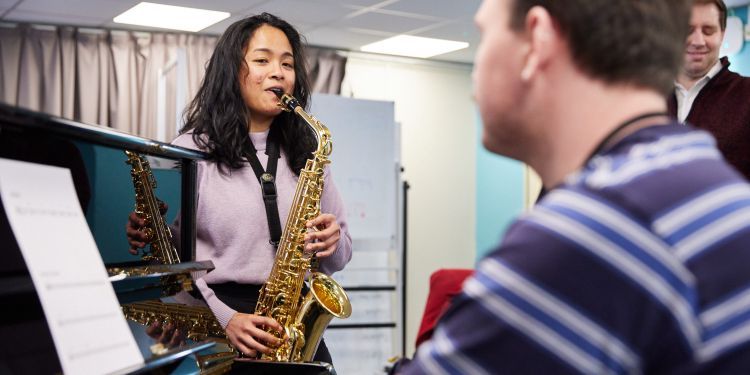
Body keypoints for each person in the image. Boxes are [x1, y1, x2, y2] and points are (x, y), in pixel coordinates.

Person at [402, 0, 750, 373]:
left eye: (484, 35)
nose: (475, 75)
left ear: (538, 39)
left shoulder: (587, 234)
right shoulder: (716, 191)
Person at [126, 13, 352, 363]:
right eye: (262, 60)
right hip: (219, 326)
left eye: (287, 64)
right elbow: (168, 262)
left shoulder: (307, 150)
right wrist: (224, 318)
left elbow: (340, 257)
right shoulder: (190, 149)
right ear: (232, 70)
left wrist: (332, 243)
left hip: (293, 327)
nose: (278, 72)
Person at [668, 0, 750, 180]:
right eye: (687, 30)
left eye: (708, 30)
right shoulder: (649, 97)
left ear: (722, 34)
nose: (698, 41)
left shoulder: (746, 94)